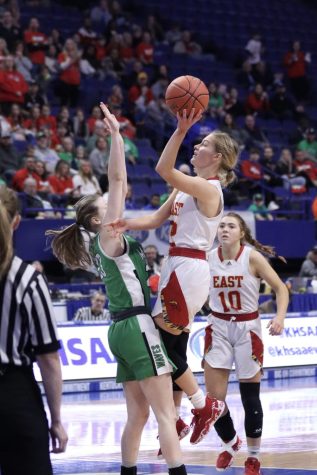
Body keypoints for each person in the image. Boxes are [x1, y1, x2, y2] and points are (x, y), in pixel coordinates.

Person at [46, 104, 188, 475]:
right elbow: (119, 180)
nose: (113, 204)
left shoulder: (106, 243)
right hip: (137, 327)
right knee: (165, 414)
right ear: (98, 219)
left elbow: (146, 209)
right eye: (106, 206)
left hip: (120, 329)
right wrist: (116, 136)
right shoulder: (107, 237)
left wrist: (178, 192)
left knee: (137, 415)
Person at [109, 109, 240, 449]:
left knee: (160, 345)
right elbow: (155, 219)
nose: (197, 146)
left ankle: (204, 405)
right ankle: (178, 417)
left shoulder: (209, 189)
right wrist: (125, 224)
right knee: (173, 344)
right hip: (176, 267)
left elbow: (161, 169)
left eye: (204, 143)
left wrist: (181, 130)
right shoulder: (187, 186)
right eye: (197, 140)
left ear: (218, 158)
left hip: (189, 270)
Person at [203, 212, 288, 475]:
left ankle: (253, 457)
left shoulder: (251, 257)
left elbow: (281, 288)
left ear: (241, 233)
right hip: (217, 325)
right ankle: (229, 444)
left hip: (247, 329)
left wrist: (280, 317)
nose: (224, 229)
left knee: (250, 397)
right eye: (221, 226)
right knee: (213, 401)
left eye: (231, 226)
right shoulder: (207, 258)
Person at [0, 186, 68, 475]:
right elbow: (49, 359)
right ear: (17, 222)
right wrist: (56, 420)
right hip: (13, 398)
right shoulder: (27, 279)